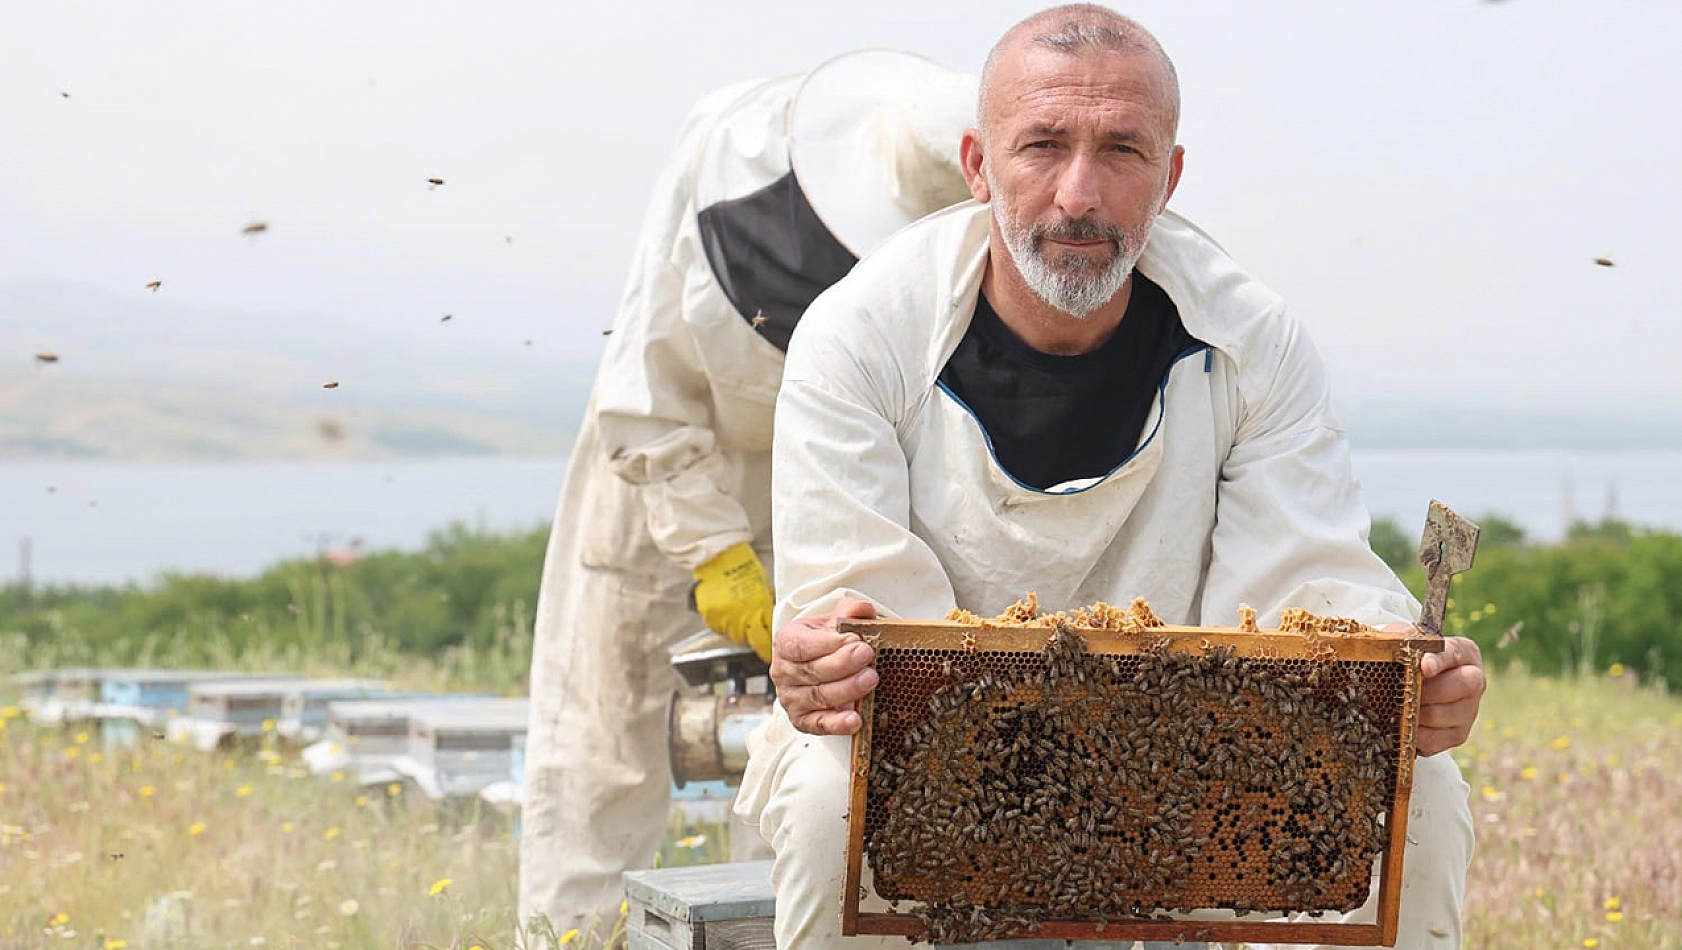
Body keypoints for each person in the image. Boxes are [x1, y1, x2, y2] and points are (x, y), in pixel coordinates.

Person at [733, 6, 1485, 950]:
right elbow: (862, 628)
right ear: (976, 164)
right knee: (823, 798)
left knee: (1417, 793)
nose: (1078, 194)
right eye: (1042, 145)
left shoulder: (1252, 339)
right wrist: (822, 661)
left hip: (1195, 748)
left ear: (1168, 178)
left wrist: (1401, 673)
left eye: (1122, 151)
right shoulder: (860, 335)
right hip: (944, 753)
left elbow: (1306, 587)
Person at [517, 51, 979, 945]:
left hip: (836, 486)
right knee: (599, 755)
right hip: (662, 466)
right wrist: (718, 553)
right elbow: (644, 393)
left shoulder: (955, 244)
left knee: (802, 756)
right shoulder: (731, 149)